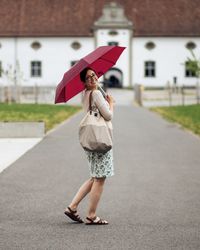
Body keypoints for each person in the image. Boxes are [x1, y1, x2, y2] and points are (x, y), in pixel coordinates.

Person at [64, 67, 115, 225]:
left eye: (94, 75)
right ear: (83, 82)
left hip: (91, 139)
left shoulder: (85, 94)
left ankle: (72, 207)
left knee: (95, 176)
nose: (93, 79)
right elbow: (108, 115)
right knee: (100, 178)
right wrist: (111, 103)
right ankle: (92, 215)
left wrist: (104, 103)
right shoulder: (97, 93)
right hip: (100, 140)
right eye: (88, 78)